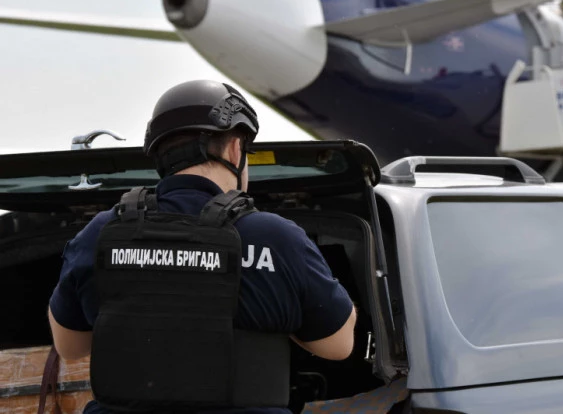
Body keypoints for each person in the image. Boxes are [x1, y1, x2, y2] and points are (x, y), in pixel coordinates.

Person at [47, 80, 357, 414]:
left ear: (159, 157)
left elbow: (70, 347)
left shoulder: (100, 234)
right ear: (235, 150)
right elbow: (338, 345)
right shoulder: (277, 238)